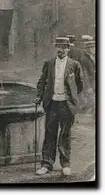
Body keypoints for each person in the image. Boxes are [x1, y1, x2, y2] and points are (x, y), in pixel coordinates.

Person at [35, 36, 84, 177]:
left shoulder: (74, 65)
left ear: (68, 48)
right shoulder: (49, 63)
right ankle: (46, 164)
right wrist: (39, 95)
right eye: (58, 46)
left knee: (65, 135)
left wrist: (71, 97)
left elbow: (80, 85)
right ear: (55, 47)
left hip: (67, 105)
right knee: (50, 133)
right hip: (52, 104)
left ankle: (65, 165)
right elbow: (42, 81)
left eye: (63, 47)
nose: (60, 49)